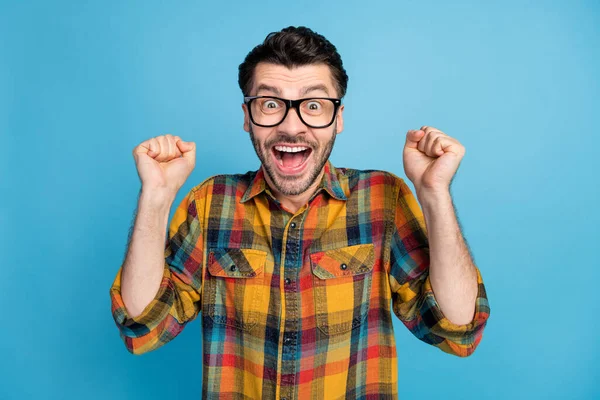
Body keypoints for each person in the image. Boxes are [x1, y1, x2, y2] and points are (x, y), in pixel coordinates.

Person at [109, 26, 490, 399]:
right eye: (270, 104)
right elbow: (143, 327)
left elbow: (458, 330)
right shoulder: (211, 202)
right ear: (247, 117)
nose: (292, 127)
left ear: (338, 118)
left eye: (313, 105)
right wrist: (156, 196)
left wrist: (434, 193)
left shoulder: (382, 200)